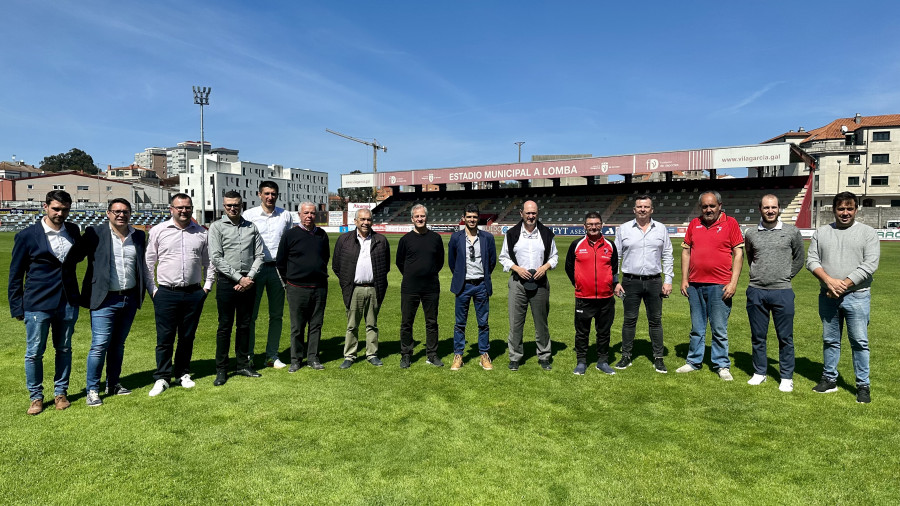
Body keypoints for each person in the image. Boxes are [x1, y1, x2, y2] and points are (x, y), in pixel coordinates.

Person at [74, 198, 154, 407]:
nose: (121, 215)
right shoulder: (95, 233)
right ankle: (92, 389)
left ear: (130, 214)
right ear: (108, 213)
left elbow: (142, 265)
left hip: (128, 297)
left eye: (125, 211)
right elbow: (74, 257)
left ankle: (113, 383)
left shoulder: (138, 235)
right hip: (103, 298)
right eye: (117, 211)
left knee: (118, 344)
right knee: (100, 345)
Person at [9, 190, 81, 415]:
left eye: (65, 209)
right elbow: (15, 274)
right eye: (56, 209)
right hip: (37, 302)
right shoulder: (27, 236)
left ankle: (61, 393)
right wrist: (16, 306)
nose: (60, 213)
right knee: (34, 352)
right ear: (45, 206)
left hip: (67, 301)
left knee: (64, 348)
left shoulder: (73, 231)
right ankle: (36, 397)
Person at [807, 191, 880, 403]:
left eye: (849, 208)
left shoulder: (867, 233)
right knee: (830, 340)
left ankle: (863, 386)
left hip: (857, 296)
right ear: (834, 210)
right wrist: (829, 281)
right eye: (841, 208)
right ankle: (829, 379)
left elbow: (870, 265)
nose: (845, 213)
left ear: (856, 209)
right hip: (828, 295)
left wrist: (842, 285)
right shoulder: (822, 232)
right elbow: (811, 260)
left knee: (859, 342)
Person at [145, 193, 215, 396]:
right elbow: (148, 263)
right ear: (171, 209)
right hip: (166, 292)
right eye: (180, 207)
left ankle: (183, 373)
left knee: (187, 336)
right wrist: (153, 290)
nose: (184, 211)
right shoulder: (159, 231)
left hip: (194, 292)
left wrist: (207, 287)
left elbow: (209, 263)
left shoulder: (202, 233)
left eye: (187, 207)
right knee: (165, 338)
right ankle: (162, 377)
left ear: (191, 209)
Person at [676, 191, 744, 380]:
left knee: (719, 329)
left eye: (712, 206)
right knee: (697, 328)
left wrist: (733, 283)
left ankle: (722, 365)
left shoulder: (731, 223)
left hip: (720, 286)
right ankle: (693, 361)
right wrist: (684, 279)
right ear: (700, 207)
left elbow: (738, 254)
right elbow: (686, 252)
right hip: (695, 285)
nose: (708, 209)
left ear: (720, 205)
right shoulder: (694, 224)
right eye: (705, 206)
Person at [743, 194, 804, 393]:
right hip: (756, 291)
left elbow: (799, 259)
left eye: (774, 207)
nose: (770, 211)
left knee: (785, 337)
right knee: (758, 336)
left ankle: (786, 376)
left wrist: (785, 276)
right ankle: (759, 372)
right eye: (766, 207)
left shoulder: (792, 232)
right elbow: (750, 257)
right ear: (760, 209)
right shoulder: (751, 233)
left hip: (782, 292)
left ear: (779, 209)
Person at [208, 191, 264, 386]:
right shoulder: (216, 227)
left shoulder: (251, 227)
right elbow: (216, 257)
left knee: (245, 325)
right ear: (224, 206)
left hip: (249, 282)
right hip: (226, 283)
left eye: (236, 205)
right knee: (224, 327)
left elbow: (260, 255)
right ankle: (221, 369)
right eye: (229, 205)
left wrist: (248, 278)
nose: (233, 208)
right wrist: (239, 278)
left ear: (242, 205)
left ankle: (243, 364)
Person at [613, 195, 674, 373]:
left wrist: (668, 280)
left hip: (654, 281)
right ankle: (626, 355)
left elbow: (667, 255)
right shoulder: (624, 229)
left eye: (646, 207)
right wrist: (615, 281)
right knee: (629, 320)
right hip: (630, 282)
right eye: (639, 206)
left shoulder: (661, 229)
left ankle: (658, 358)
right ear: (634, 210)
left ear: (651, 210)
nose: (642, 209)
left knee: (655, 321)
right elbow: (615, 257)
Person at [499, 200, 559, 371]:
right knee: (516, 322)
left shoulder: (546, 233)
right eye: (528, 213)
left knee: (541, 322)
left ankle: (544, 356)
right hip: (518, 283)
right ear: (521, 213)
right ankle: (515, 357)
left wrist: (545, 267)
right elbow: (503, 257)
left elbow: (554, 257)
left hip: (540, 283)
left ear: (537, 213)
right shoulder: (512, 234)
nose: (531, 216)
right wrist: (517, 269)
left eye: (534, 213)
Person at [243, 181, 294, 369]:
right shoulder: (248, 215)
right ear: (259, 194)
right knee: (251, 316)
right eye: (266, 193)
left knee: (277, 315)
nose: (270, 197)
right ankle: (248, 356)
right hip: (255, 270)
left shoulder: (285, 216)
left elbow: (289, 242)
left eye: (273, 193)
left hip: (278, 270)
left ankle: (272, 355)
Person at [332, 208, 390, 369]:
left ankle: (372, 354)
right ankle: (349, 355)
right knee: (352, 325)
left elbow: (385, 266)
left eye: (369, 220)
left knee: (372, 324)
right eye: (362, 219)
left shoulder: (381, 240)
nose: (366, 223)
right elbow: (337, 266)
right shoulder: (344, 240)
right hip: (354, 289)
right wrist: (346, 283)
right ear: (356, 221)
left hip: (373, 288)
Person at [276, 202, 330, 372]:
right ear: (299, 214)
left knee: (316, 325)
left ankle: (313, 358)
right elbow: (281, 262)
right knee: (297, 327)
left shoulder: (322, 235)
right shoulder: (290, 235)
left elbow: (325, 257)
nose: (309, 216)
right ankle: (296, 359)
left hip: (319, 287)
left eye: (312, 213)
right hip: (296, 288)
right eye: (306, 213)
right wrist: (291, 281)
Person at [565, 212, 618, 375]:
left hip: (606, 298)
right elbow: (569, 267)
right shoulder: (576, 244)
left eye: (596, 224)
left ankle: (602, 361)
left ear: (602, 225)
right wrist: (579, 284)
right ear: (585, 226)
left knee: (604, 332)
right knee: (582, 332)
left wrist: (611, 283)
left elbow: (614, 268)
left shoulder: (610, 245)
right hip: (583, 298)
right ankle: (581, 362)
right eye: (590, 224)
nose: (593, 227)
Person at [447, 204, 497, 371]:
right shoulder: (456, 238)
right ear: (464, 218)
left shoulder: (487, 238)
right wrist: (462, 276)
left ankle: (484, 354)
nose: (472, 220)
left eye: (474, 217)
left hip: (481, 285)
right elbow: (452, 263)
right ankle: (458, 355)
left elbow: (491, 262)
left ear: (479, 218)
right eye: (469, 217)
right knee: (460, 323)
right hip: (463, 286)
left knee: (483, 323)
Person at [396, 204, 445, 368]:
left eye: (422, 216)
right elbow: (399, 262)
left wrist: (427, 273)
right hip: (410, 287)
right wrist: (413, 275)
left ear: (426, 217)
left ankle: (432, 354)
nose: (419, 219)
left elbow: (439, 262)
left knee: (431, 322)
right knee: (406, 322)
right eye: (416, 216)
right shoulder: (405, 240)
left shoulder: (436, 238)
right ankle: (406, 355)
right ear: (412, 219)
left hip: (431, 287)